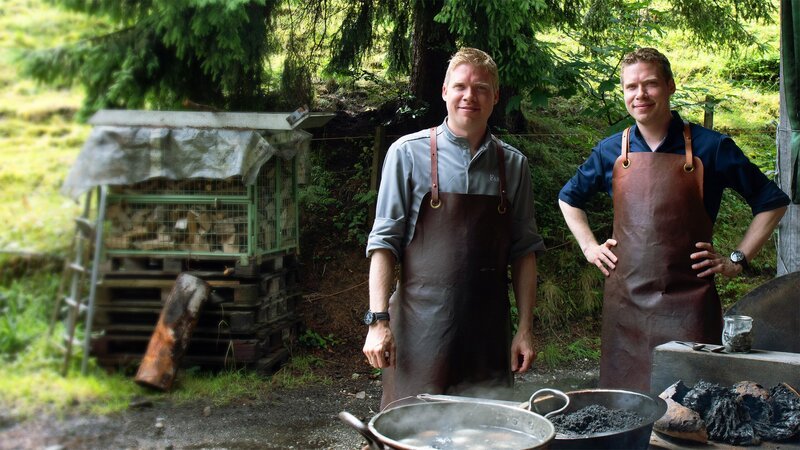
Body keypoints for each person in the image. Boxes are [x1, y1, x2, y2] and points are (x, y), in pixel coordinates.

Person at [558, 47, 790, 392]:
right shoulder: (609, 151)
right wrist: (590, 247)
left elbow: (771, 201)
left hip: (690, 308)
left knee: (694, 401)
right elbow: (569, 197)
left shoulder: (712, 147)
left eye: (650, 84)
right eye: (630, 87)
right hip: (626, 310)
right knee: (625, 406)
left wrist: (737, 259)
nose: (640, 95)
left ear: (670, 86)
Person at [363, 47, 545, 409]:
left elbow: (524, 253)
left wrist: (525, 329)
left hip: (488, 337)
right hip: (418, 336)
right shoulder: (406, 154)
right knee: (412, 434)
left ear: (495, 96)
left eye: (480, 88)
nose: (469, 96)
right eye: (460, 86)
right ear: (445, 91)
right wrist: (378, 322)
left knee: (487, 436)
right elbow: (384, 245)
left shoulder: (513, 165)